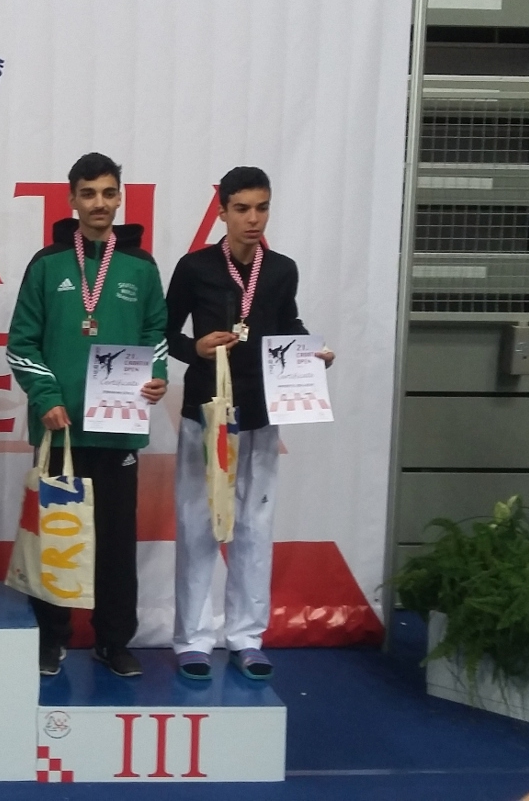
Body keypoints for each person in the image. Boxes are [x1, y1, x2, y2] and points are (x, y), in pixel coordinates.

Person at [164, 166, 332, 680]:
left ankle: (246, 637)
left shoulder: (281, 270)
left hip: (261, 412)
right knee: (198, 525)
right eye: (242, 209)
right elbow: (164, 332)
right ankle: (192, 639)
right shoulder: (194, 267)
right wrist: (196, 348)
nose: (253, 219)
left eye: (261, 208)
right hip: (206, 413)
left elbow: (288, 324)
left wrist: (310, 353)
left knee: (255, 529)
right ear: (222, 212)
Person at [5, 153, 168, 677]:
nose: (100, 203)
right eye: (89, 193)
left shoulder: (141, 266)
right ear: (72, 199)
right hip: (61, 431)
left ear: (120, 198)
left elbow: (156, 334)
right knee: (55, 539)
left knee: (116, 545)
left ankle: (114, 641)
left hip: (118, 431)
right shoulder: (47, 264)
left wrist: (156, 375)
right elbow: (21, 343)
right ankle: (50, 639)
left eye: (108, 193)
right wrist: (46, 397)